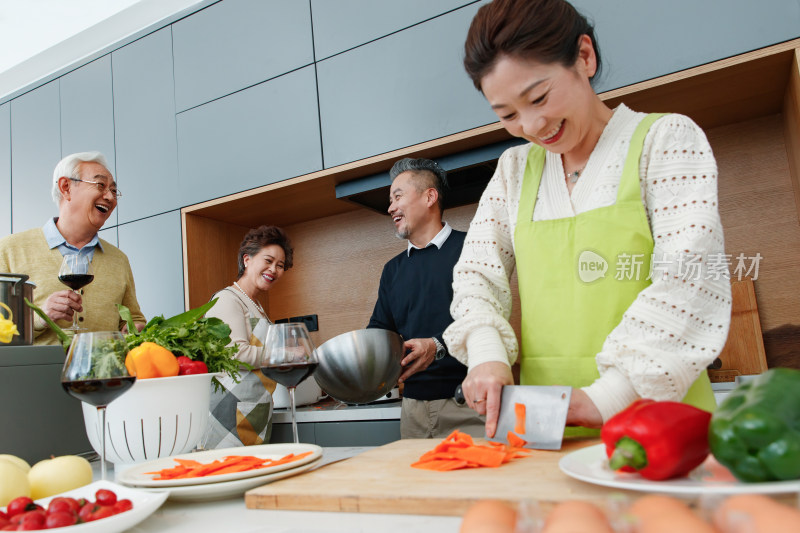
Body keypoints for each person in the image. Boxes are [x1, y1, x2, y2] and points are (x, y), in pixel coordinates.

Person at [443, 0, 732, 437]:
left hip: (662, 431)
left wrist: (607, 398)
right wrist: (486, 353)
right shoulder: (514, 171)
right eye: (507, 115)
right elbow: (476, 276)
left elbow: (689, 278)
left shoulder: (666, 140)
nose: (533, 124)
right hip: (550, 428)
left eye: (538, 97)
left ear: (584, 56)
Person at [368, 158, 484, 438]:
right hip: (412, 412)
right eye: (390, 200)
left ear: (430, 196)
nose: (390, 207)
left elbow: (486, 316)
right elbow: (380, 332)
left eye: (398, 196)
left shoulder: (472, 247)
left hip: (468, 404)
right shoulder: (392, 270)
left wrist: (438, 345)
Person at [0, 151, 145, 344]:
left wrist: (134, 330)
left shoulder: (119, 259)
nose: (110, 197)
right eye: (100, 185)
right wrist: (38, 319)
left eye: (113, 190)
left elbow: (134, 320)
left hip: (103, 373)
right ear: (66, 187)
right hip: (37, 374)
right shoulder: (9, 250)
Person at [202, 225, 293, 448]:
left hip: (254, 412)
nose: (274, 269)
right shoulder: (227, 299)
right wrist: (284, 354)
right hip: (229, 413)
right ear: (247, 260)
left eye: (280, 266)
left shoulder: (255, 306)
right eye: (268, 261)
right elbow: (236, 353)